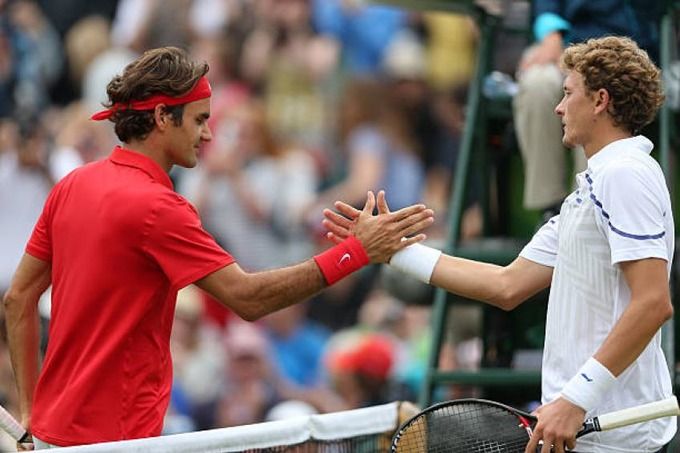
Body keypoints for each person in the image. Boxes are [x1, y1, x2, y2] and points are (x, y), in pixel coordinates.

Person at [2, 46, 435, 450]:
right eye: (200, 119)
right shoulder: (160, 207)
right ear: (161, 118)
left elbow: (18, 299)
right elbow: (249, 298)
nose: (208, 134)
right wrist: (356, 251)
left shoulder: (73, 184)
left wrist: (31, 413)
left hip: (51, 436)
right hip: (119, 443)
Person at [324, 36, 673, 453]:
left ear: (600, 101)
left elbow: (653, 303)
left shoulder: (625, 174)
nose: (558, 108)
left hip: (617, 437)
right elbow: (506, 285)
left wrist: (577, 399)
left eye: (567, 94)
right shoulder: (592, 188)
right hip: (587, 432)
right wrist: (393, 251)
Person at [513, 0, 662, 221]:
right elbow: (546, 9)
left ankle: (590, 205)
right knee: (538, 83)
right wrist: (551, 38)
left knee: (593, 91)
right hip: (566, 44)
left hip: (627, 51)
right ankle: (550, 210)